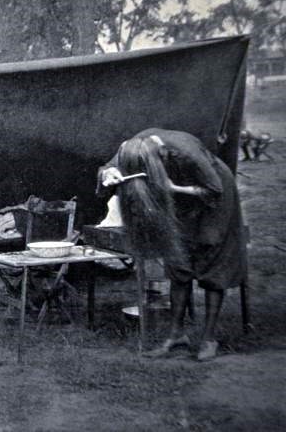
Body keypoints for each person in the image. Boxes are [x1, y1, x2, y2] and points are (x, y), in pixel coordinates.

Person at [97, 128, 246, 361]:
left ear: (160, 157)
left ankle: (209, 338)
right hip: (180, 200)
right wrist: (109, 174)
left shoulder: (186, 152)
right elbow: (106, 169)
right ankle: (175, 336)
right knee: (178, 262)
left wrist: (173, 188)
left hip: (214, 197)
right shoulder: (132, 149)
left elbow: (214, 189)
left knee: (212, 259)